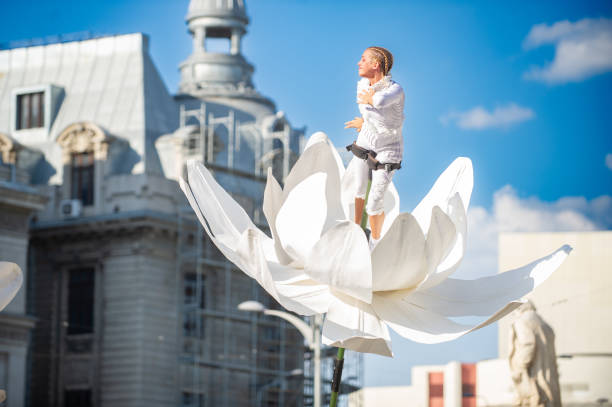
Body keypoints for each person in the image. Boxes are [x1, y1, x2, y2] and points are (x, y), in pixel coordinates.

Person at [344, 46, 405, 248]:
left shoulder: (395, 89)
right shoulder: (362, 84)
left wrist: (371, 101)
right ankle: (356, 231)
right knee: (358, 187)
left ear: (375, 64)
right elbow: (368, 110)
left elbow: (379, 101)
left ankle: (375, 244)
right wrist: (364, 124)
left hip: (389, 147)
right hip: (367, 138)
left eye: (363, 59)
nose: (358, 63)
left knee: (375, 201)